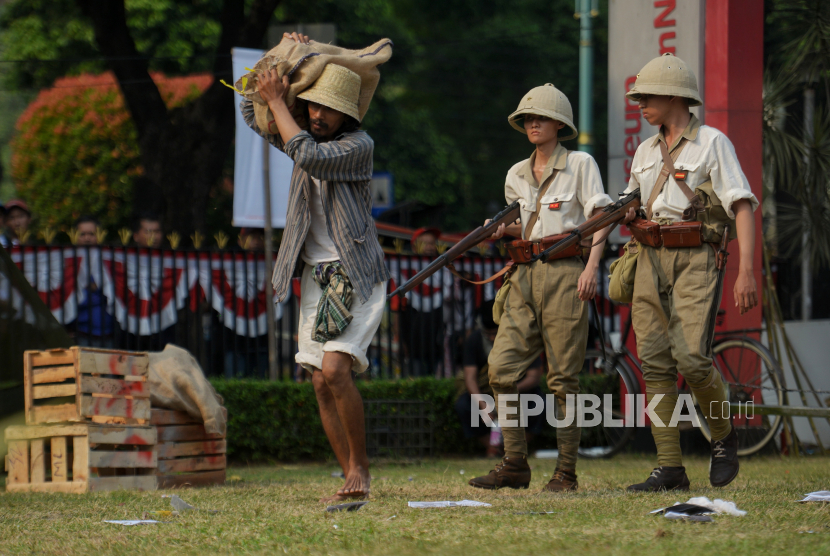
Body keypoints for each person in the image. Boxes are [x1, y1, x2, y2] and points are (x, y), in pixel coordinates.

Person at [242, 32, 389, 502]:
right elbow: (251, 110)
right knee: (319, 380)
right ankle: (349, 474)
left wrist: (280, 105)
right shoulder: (300, 131)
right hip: (315, 275)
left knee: (336, 369)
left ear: (348, 115)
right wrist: (281, 62)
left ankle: (361, 468)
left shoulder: (356, 146)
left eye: (327, 109)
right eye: (312, 106)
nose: (318, 114)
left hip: (354, 272)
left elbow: (306, 154)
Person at [621, 54, 758, 491]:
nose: (640, 104)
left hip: (696, 256)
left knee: (693, 360)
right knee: (654, 363)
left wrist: (746, 272)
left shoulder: (713, 142)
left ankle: (722, 436)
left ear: (674, 95)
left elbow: (741, 205)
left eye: (646, 96)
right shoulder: (644, 150)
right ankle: (669, 467)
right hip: (648, 256)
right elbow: (630, 201)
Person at [468, 84, 613, 492]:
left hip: (567, 271)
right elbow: (523, 224)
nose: (533, 123)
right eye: (528, 118)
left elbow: (601, 216)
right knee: (500, 368)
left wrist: (591, 267)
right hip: (523, 272)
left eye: (542, 117)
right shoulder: (516, 173)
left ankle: (566, 471)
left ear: (559, 124)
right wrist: (496, 231)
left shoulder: (581, 164)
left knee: (564, 378)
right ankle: (514, 463)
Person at [455, 300, 544, 457]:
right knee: (464, 405)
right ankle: (493, 447)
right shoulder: (474, 340)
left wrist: (510, 391)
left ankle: (517, 449)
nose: (491, 338)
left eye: (495, 333)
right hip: (487, 392)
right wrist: (483, 405)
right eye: (487, 334)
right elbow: (470, 378)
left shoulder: (522, 338)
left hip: (518, 390)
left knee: (538, 402)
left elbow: (534, 376)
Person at [73, 216, 114, 347]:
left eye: (92, 234)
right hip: (80, 333)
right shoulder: (68, 262)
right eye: (82, 234)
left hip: (110, 332)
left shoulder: (110, 260)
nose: (87, 238)